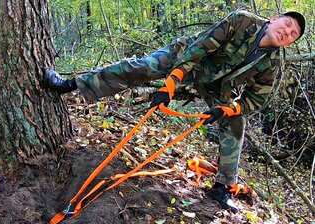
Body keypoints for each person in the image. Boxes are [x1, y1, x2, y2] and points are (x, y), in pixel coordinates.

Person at [43, 10, 305, 213]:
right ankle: (71, 84)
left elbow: (257, 97)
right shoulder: (242, 21)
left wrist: (230, 108)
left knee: (236, 124)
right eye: (287, 24)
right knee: (140, 67)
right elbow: (200, 48)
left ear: (290, 43)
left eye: (292, 34)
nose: (287, 32)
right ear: (273, 19)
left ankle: (223, 186)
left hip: (216, 86)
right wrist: (172, 81)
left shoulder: (271, 63)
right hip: (185, 58)